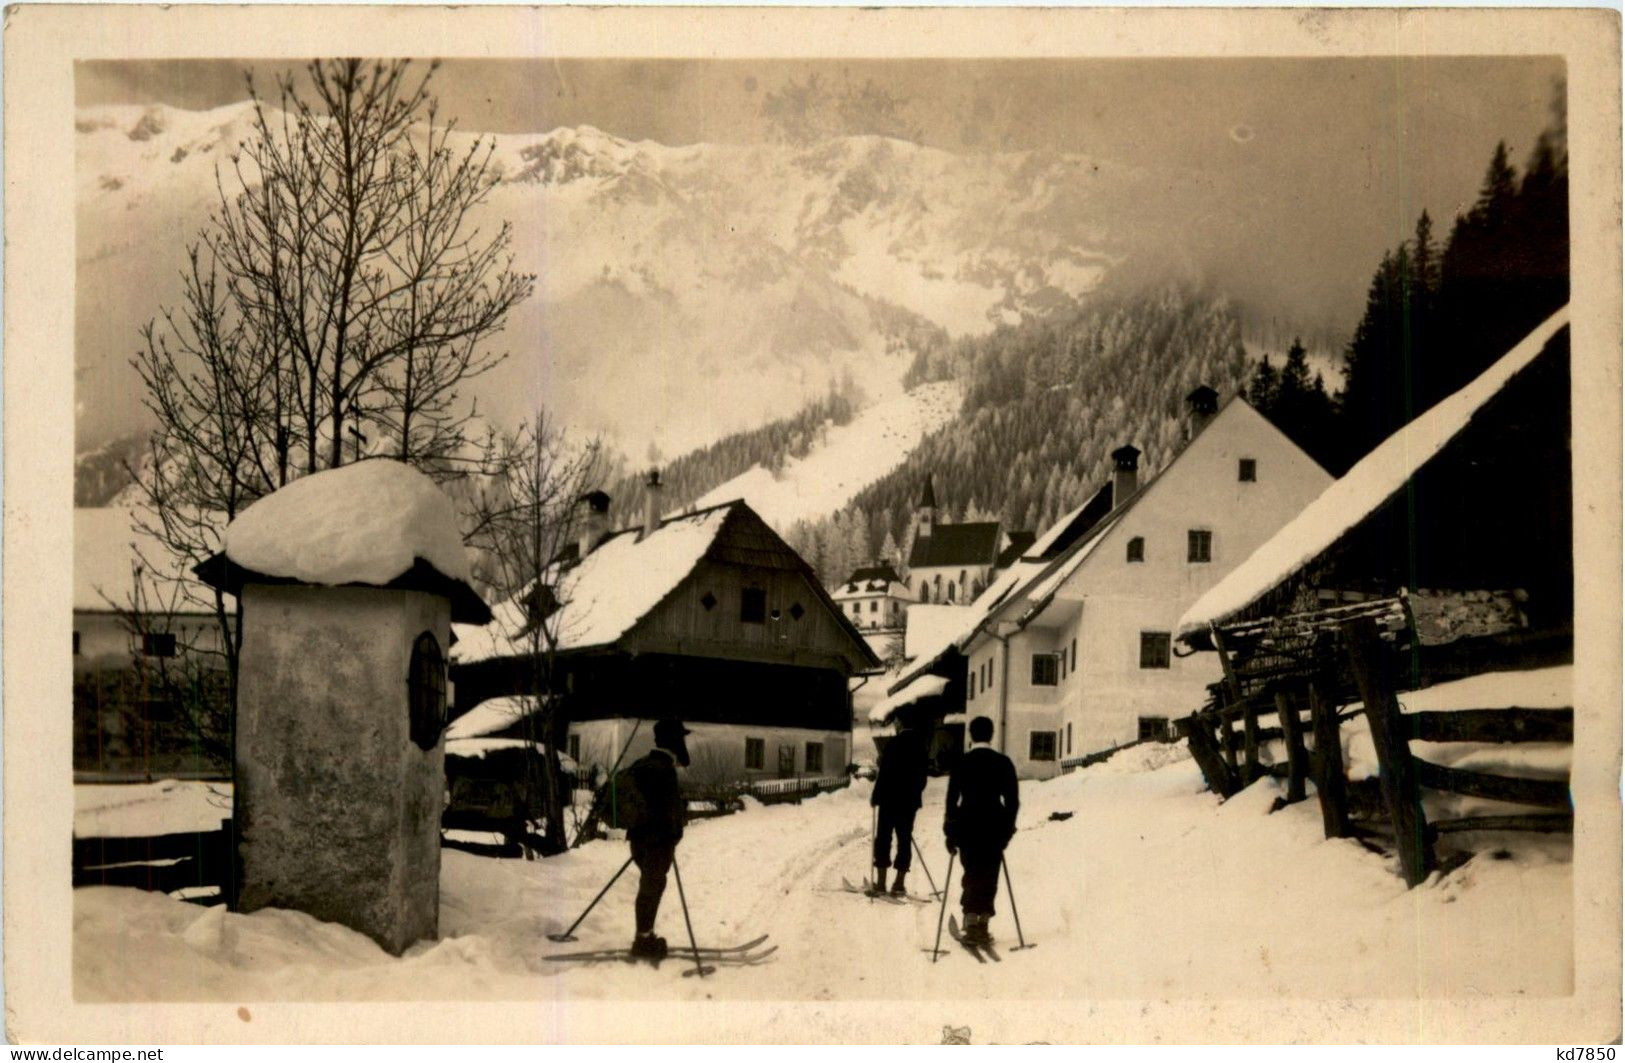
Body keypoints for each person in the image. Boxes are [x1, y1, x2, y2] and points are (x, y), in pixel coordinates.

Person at [943, 715, 1019, 946]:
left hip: (968, 825)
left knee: (972, 873)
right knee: (989, 875)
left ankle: (971, 920)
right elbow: (1012, 801)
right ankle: (982, 924)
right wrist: (1007, 830)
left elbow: (951, 800)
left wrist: (950, 831)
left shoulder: (962, 763)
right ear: (992, 734)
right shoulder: (1003, 762)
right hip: (994, 826)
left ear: (971, 735)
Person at [627, 718, 690, 959]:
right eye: (681, 738)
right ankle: (643, 941)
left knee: (651, 885)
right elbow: (669, 811)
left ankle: (645, 935)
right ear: (673, 741)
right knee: (651, 887)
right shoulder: (665, 769)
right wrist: (674, 836)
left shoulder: (641, 764)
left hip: (638, 840)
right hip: (658, 842)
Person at [869, 716, 930, 896]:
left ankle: (881, 883)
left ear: (901, 724)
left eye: (896, 722)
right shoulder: (921, 746)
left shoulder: (892, 744)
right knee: (904, 839)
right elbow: (922, 780)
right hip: (908, 803)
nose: (895, 725)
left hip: (889, 800)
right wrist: (913, 794)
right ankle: (899, 883)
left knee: (883, 839)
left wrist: (876, 796)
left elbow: (884, 774)